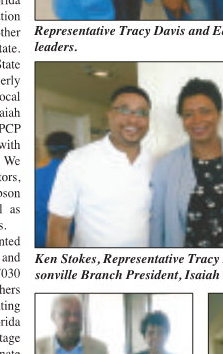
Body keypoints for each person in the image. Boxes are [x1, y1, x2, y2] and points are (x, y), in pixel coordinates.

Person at [149, 78, 223, 250]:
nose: (197, 120)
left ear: (218, 115)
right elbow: (156, 226)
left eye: (205, 111)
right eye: (188, 114)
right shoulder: (166, 166)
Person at [45, 86, 153, 249]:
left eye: (141, 112)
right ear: (110, 115)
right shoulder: (77, 161)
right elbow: (59, 227)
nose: (133, 120)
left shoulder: (156, 161)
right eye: (124, 110)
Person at [35, 131, 74, 247]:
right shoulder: (75, 175)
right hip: (65, 239)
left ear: (47, 151)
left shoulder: (36, 174)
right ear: (72, 150)